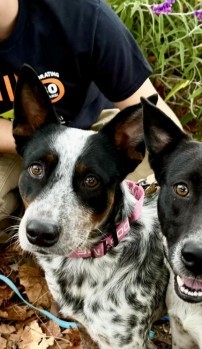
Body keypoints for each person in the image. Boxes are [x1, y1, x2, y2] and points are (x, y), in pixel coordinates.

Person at [0, 0, 181, 242]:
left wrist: (189, 175)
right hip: (15, 140)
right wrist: (44, 147)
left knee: (167, 197)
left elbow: (152, 114)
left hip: (97, 130)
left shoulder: (83, 15)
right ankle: (29, 203)